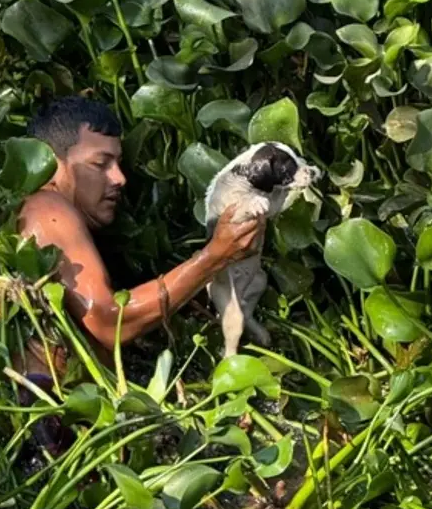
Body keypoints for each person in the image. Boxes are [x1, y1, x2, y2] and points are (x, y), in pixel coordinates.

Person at [15, 96, 265, 377]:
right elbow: (107, 320)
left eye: (118, 163)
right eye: (100, 164)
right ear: (52, 163)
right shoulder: (46, 207)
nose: (120, 178)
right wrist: (213, 257)